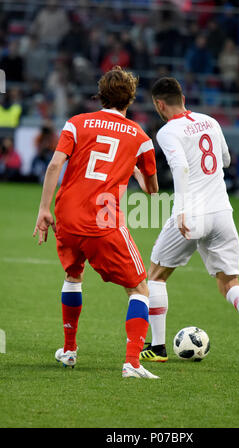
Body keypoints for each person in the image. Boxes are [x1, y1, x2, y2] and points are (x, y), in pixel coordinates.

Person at [138, 77, 239, 365]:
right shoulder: (210, 121)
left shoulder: (167, 131)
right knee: (229, 283)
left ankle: (158, 348)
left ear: (159, 104)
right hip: (222, 213)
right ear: (183, 96)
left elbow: (180, 166)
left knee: (156, 276)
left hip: (192, 214)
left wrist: (181, 211)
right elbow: (225, 160)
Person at [33, 66, 160, 379]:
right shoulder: (141, 138)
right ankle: (132, 363)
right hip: (103, 220)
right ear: (130, 99)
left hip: (67, 215)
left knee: (73, 276)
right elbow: (152, 191)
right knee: (140, 289)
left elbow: (54, 166)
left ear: (101, 95)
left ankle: (69, 351)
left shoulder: (76, 124)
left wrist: (43, 210)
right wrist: (134, 172)